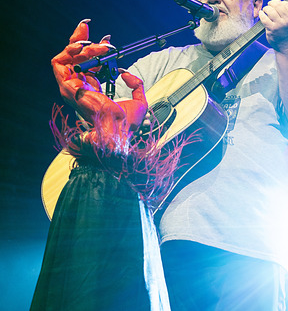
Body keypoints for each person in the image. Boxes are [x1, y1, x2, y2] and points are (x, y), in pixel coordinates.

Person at [112, 0, 288, 310]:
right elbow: (108, 116)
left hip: (251, 246)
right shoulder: (163, 63)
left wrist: (287, 47)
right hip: (169, 238)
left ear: (256, 5)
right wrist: (79, 90)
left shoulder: (282, 61)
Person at [32, 20, 178, 310]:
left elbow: (137, 102)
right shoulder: (97, 98)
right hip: (97, 184)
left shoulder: (120, 106)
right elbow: (63, 69)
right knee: (87, 281)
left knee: (130, 277)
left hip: (125, 188)